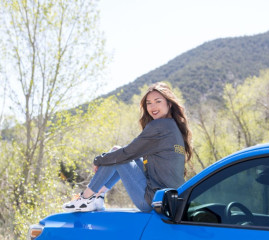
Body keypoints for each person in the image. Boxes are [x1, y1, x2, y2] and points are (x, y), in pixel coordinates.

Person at [63, 82, 193, 213]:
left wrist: (99, 160)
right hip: (169, 200)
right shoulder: (174, 128)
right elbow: (132, 153)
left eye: (158, 101)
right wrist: (108, 158)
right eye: (149, 103)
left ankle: (86, 197)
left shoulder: (159, 126)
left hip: (153, 200)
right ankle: (98, 196)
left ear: (169, 104)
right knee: (117, 152)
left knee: (117, 155)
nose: (152, 107)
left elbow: (127, 153)